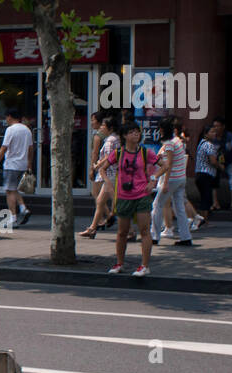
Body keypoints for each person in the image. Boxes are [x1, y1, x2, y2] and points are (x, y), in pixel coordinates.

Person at [101, 121, 158, 276]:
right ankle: (119, 263)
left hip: (142, 195)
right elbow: (103, 169)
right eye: (132, 132)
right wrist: (109, 184)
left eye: (137, 132)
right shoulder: (118, 153)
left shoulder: (146, 152)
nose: (136, 135)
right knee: (122, 232)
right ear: (124, 136)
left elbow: (164, 165)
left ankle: (144, 265)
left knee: (145, 230)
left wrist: (153, 180)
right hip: (123, 196)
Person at [151, 117, 193, 246]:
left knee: (157, 205)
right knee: (179, 208)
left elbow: (168, 164)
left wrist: (164, 182)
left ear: (162, 129)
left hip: (172, 179)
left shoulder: (169, 143)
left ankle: (154, 236)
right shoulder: (177, 140)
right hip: (181, 178)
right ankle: (186, 237)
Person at [81, 116, 120, 237]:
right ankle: (93, 228)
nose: (101, 128)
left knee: (108, 202)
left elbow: (109, 157)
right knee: (100, 201)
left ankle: (130, 231)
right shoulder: (116, 138)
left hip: (110, 175)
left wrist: (96, 166)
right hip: (113, 174)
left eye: (104, 125)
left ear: (110, 128)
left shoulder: (110, 141)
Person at [0, 107, 32, 226]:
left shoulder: (10, 130)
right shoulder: (27, 130)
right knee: (14, 188)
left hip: (11, 164)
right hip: (23, 164)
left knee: (9, 191)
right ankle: (23, 208)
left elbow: (4, 147)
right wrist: (29, 163)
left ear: (9, 116)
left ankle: (13, 217)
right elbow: (31, 148)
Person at [193, 119, 224, 229]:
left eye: (214, 132)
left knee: (204, 197)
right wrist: (221, 167)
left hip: (199, 174)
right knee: (206, 198)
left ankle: (201, 220)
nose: (214, 134)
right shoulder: (209, 145)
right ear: (206, 134)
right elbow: (213, 161)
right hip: (206, 174)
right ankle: (204, 221)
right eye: (211, 132)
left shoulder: (201, 143)